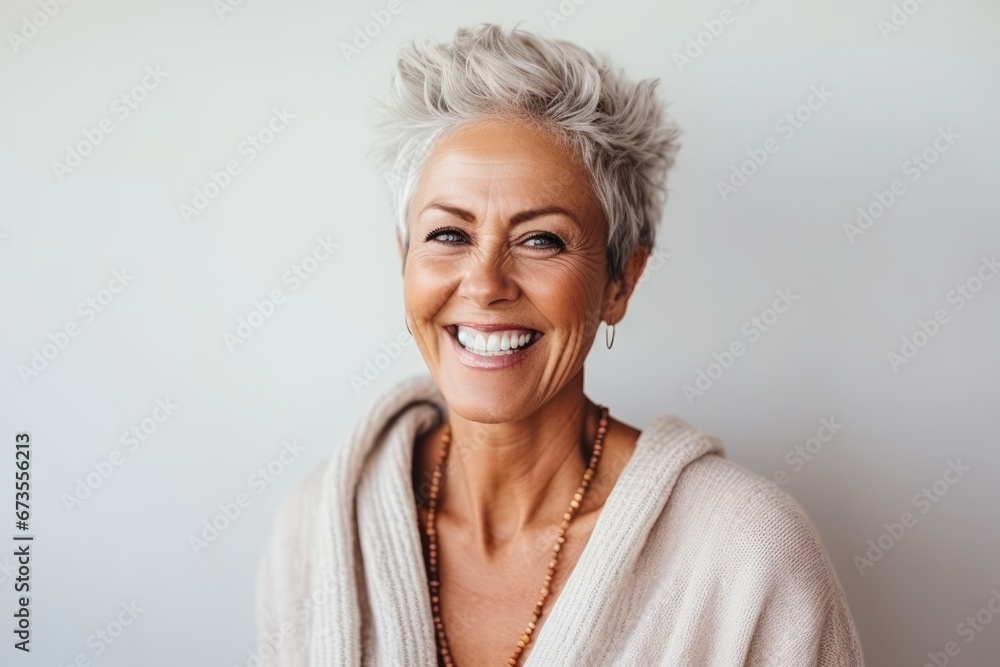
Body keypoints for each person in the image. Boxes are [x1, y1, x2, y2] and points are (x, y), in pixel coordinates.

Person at [255, 23, 865, 666]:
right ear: (404, 260)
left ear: (620, 282)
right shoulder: (319, 527)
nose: (486, 283)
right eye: (448, 236)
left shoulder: (746, 552)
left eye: (541, 239)